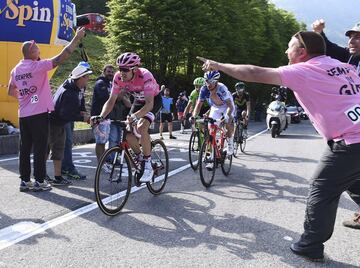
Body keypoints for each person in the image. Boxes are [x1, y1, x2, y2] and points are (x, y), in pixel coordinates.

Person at [197, 30, 360, 261]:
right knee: (353, 180)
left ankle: (310, 245)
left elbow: (254, 72)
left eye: (289, 46)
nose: (286, 51)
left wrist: (218, 65)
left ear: (301, 52)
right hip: (355, 141)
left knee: (321, 190)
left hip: (350, 141)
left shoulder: (304, 70)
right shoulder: (344, 66)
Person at [7, 27, 86, 192]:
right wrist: (76, 38)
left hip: (24, 113)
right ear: (31, 52)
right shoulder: (37, 66)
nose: (39, 50)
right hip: (39, 114)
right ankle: (40, 181)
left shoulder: (16, 69)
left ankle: (25, 181)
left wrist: (27, 97)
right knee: (40, 148)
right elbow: (62, 56)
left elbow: (10, 91)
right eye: (37, 48)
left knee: (25, 148)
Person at [313, 20, 360, 229]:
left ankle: (311, 242)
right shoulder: (351, 57)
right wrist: (320, 34)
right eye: (350, 36)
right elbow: (331, 50)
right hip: (353, 130)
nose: (352, 40)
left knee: (333, 179)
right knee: (352, 177)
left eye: (358, 37)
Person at [91, 52, 162, 183]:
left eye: (125, 69)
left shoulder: (145, 76)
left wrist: (135, 116)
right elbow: (111, 100)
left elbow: (149, 104)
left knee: (142, 127)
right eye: (119, 69)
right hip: (137, 101)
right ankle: (140, 157)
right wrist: (101, 116)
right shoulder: (118, 78)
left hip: (152, 101)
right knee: (128, 132)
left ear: (134, 69)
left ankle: (147, 163)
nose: (121, 72)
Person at [48, 62, 92, 185]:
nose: (88, 79)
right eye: (87, 76)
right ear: (80, 77)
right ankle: (42, 176)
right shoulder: (69, 93)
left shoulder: (77, 87)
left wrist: (82, 111)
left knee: (59, 148)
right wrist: (84, 118)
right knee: (49, 148)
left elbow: (80, 99)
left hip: (60, 122)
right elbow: (65, 114)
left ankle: (58, 176)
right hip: (54, 122)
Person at [191, 71, 235, 155]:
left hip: (227, 106)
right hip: (215, 107)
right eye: (207, 81)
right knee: (211, 128)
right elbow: (198, 105)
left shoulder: (222, 88)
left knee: (227, 123)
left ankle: (230, 144)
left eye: (211, 82)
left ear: (216, 82)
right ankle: (211, 154)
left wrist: (226, 116)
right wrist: (194, 116)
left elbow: (230, 106)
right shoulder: (204, 89)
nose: (208, 84)